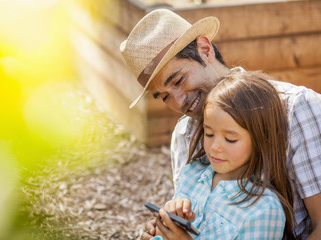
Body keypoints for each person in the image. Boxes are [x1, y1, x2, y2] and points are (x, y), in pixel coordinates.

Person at [119, 9, 321, 240]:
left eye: (178, 80)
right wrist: (166, 229)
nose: (178, 102)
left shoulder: (298, 108)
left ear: (205, 50)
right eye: (163, 96)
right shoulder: (185, 134)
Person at [151, 70, 295, 239]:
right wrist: (167, 222)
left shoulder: (264, 210)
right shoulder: (193, 173)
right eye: (209, 134)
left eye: (230, 139)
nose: (215, 147)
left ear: (261, 139)